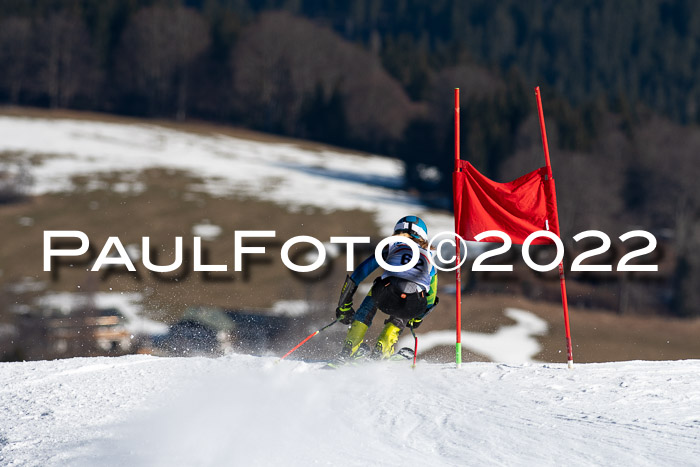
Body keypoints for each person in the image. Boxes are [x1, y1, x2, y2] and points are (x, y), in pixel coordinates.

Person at [333, 215, 439, 361]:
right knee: (411, 294)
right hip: (413, 303)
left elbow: (358, 275)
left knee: (382, 284)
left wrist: (344, 306)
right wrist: (417, 317)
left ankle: (351, 345)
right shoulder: (430, 257)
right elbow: (431, 296)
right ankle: (383, 347)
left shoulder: (391, 247)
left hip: (386, 295)